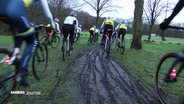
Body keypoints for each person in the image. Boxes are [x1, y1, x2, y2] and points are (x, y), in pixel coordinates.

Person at [0, 0, 55, 86]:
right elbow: (48, 15)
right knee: (31, 41)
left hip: (2, 11)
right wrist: (53, 26)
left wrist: (28, 23)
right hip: (15, 12)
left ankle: (17, 63)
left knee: (19, 37)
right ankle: (22, 71)